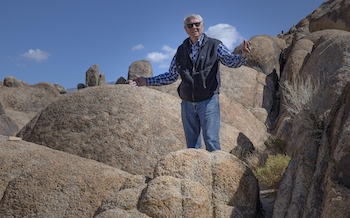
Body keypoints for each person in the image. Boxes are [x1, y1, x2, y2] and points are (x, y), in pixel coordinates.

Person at [129, 14, 251, 152]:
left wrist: (243, 56)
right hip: (187, 103)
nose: (194, 27)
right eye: (190, 25)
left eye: (197, 24)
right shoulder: (181, 50)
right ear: (185, 29)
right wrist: (147, 81)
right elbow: (172, 75)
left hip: (209, 100)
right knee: (192, 147)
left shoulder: (214, 45)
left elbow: (230, 61)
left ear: (203, 25)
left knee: (211, 141)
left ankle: (215, 172)